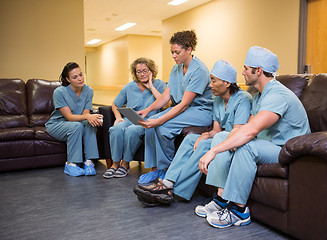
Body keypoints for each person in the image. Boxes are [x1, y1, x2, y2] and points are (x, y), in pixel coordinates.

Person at [195, 46, 311, 228]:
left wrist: (213, 152)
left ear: (258, 71)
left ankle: (239, 211)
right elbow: (246, 128)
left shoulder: (277, 95)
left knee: (246, 146)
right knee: (222, 137)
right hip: (269, 145)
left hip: (288, 151)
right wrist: (223, 141)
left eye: (246, 68)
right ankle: (221, 200)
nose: (242, 73)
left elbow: (250, 132)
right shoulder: (258, 96)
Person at [133, 60, 252, 206]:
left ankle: (174, 191)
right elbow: (215, 130)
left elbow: (237, 133)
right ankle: (167, 182)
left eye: (213, 81)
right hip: (220, 138)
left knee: (202, 146)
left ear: (227, 83)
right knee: (191, 140)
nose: (209, 85)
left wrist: (208, 141)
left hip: (233, 142)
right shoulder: (218, 100)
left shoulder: (243, 99)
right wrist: (204, 135)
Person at [136, 30, 213, 184]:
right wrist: (148, 109)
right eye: (172, 52)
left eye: (177, 52)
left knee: (162, 127)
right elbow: (166, 96)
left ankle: (169, 170)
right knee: (150, 122)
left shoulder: (199, 70)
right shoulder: (176, 68)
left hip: (201, 111)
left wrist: (160, 121)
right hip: (185, 108)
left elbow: (184, 105)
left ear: (189, 49)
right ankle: (155, 168)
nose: (173, 56)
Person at [103, 57, 166, 178]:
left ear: (151, 71)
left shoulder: (160, 85)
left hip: (149, 120)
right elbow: (115, 104)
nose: (142, 74)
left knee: (132, 131)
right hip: (130, 118)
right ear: (135, 73)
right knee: (115, 129)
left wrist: (151, 87)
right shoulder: (129, 87)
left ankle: (125, 164)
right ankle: (115, 164)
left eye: (145, 70)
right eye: (139, 71)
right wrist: (117, 117)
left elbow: (166, 104)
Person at [46, 62, 103, 177]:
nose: (80, 79)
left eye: (81, 75)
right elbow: (69, 117)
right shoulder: (59, 92)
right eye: (75, 77)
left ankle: (88, 162)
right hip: (58, 124)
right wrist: (87, 116)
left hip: (78, 122)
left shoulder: (88, 91)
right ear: (68, 79)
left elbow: (85, 114)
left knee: (89, 123)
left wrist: (92, 118)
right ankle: (71, 164)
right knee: (77, 125)